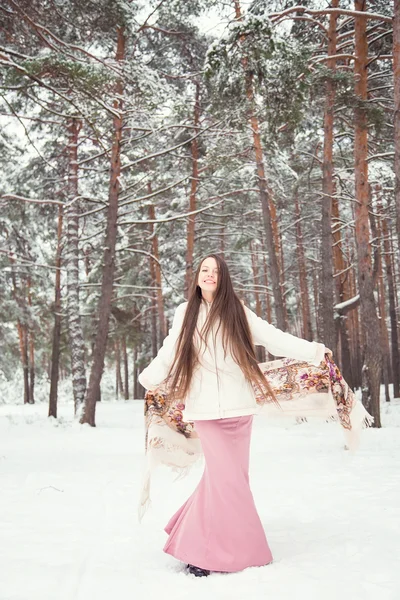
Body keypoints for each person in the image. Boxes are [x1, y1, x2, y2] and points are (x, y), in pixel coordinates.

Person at [138, 253, 331, 577]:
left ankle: (195, 541)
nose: (209, 275)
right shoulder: (186, 313)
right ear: (197, 276)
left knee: (229, 481)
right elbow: (170, 352)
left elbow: (273, 338)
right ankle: (215, 551)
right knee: (226, 482)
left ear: (223, 277)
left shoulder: (236, 310)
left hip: (239, 410)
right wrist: (147, 379)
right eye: (204, 270)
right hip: (205, 412)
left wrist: (313, 351)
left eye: (215, 271)